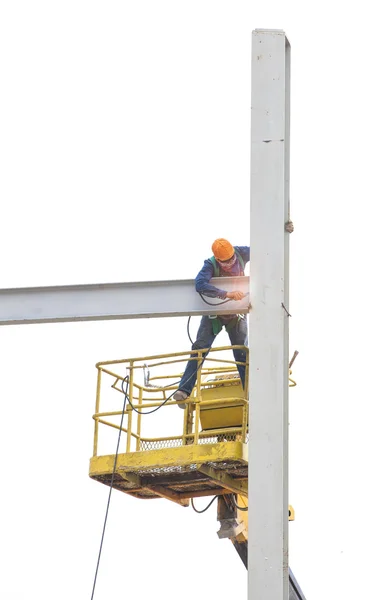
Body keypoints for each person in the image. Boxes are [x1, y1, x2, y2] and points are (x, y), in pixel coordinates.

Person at [173, 238, 249, 408]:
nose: (230, 264)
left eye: (232, 260)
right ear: (218, 260)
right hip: (214, 315)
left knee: (242, 353)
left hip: (236, 314)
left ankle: (250, 393)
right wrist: (227, 294)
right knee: (200, 349)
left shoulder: (242, 253)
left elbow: (264, 252)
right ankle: (184, 390)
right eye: (226, 262)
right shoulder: (210, 265)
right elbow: (200, 284)